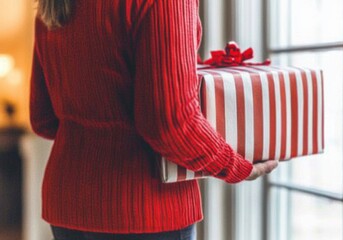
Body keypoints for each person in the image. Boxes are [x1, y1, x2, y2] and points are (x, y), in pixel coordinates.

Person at [29, 0, 278, 239]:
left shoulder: (50, 5)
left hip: (66, 202)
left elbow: (43, 119)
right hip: (143, 209)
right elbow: (172, 124)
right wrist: (236, 166)